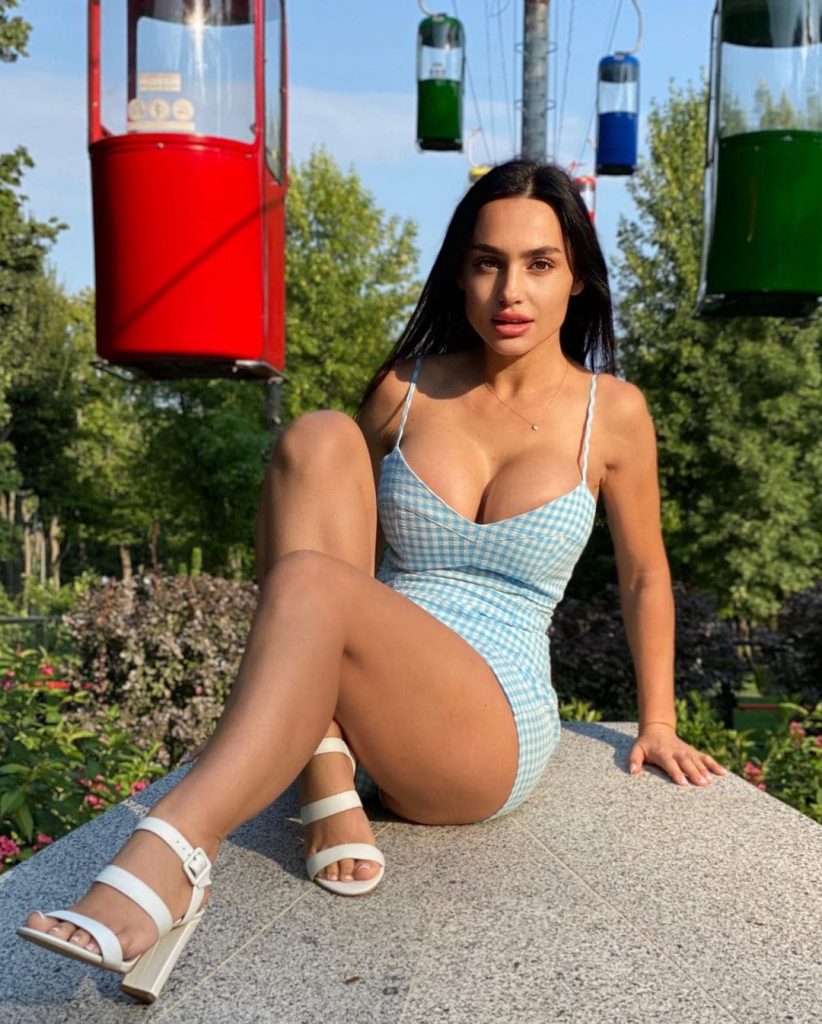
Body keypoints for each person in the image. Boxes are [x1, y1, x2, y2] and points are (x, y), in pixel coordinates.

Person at [18, 161, 726, 1001]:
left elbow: (645, 575)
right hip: (364, 666)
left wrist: (657, 721)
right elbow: (322, 520)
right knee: (316, 438)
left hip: (486, 718)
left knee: (315, 583)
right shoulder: (405, 388)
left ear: (577, 277)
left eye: (540, 264)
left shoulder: (613, 413)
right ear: (459, 273)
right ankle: (325, 768)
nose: (511, 290)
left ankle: (172, 854)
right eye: (487, 262)